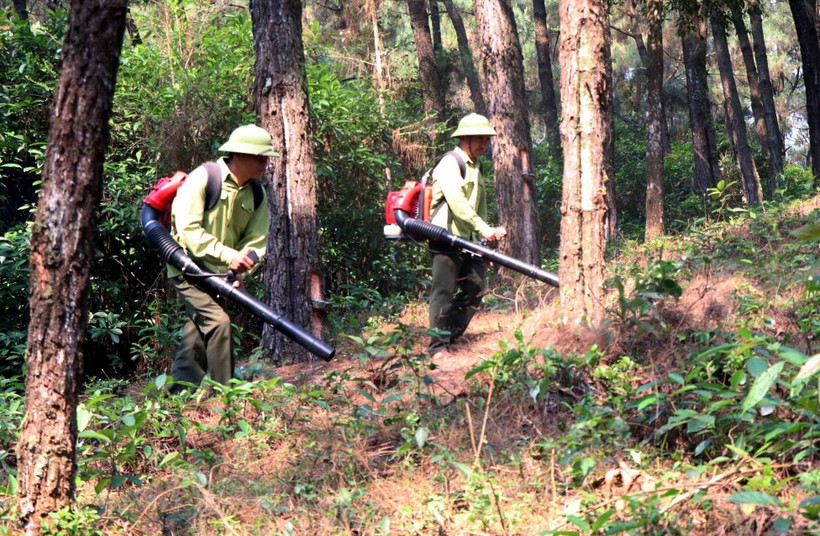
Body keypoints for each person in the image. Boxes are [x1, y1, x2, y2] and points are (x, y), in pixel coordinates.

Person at [167, 124, 276, 392]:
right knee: (219, 323)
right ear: (239, 155)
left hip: (221, 277)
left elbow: (257, 242)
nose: (265, 163)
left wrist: (240, 269)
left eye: (267, 157)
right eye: (259, 156)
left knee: (197, 334)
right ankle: (224, 399)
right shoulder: (203, 178)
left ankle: (175, 399)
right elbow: (189, 231)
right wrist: (229, 257)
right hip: (187, 269)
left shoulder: (257, 194)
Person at [427, 113, 507, 358]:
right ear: (464, 138)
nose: (484, 144)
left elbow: (476, 207)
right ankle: (437, 348)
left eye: (486, 140)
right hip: (446, 238)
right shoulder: (451, 163)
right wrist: (483, 228)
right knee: (443, 291)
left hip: (468, 241)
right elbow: (458, 203)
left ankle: (449, 334)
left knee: (477, 286)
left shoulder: (476, 166)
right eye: (480, 139)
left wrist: (482, 242)